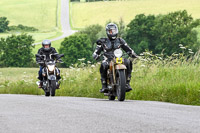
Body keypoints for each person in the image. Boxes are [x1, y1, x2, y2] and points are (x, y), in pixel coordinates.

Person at [93, 23, 138, 93]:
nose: (113, 33)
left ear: (116, 31)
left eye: (114, 31)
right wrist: (96, 55)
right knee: (104, 65)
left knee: (128, 62)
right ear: (107, 32)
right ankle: (104, 85)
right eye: (111, 31)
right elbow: (96, 51)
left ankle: (127, 83)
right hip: (108, 59)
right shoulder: (103, 41)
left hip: (118, 58)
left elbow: (128, 48)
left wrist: (132, 54)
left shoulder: (120, 40)